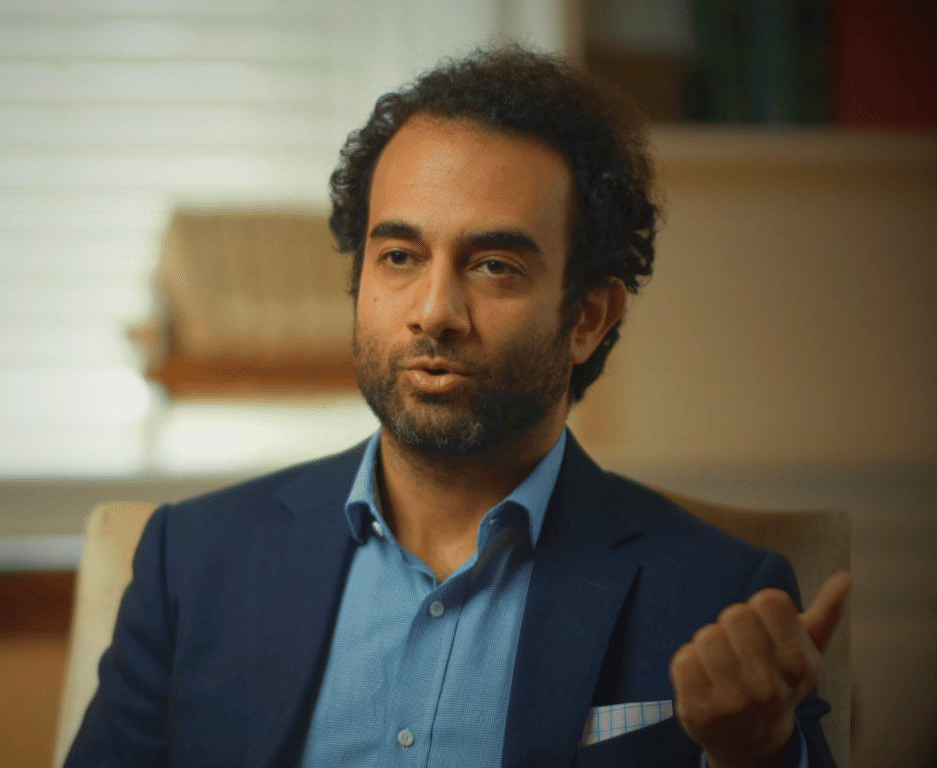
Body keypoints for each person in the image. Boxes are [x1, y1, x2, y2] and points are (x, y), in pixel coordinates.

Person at [64, 46, 850, 768]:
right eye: (398, 256)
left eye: (494, 265)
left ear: (586, 318)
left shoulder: (721, 593)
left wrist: (752, 758)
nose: (433, 309)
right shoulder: (192, 561)